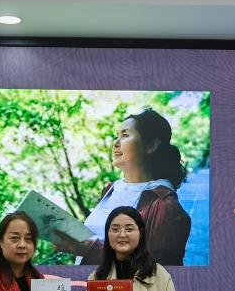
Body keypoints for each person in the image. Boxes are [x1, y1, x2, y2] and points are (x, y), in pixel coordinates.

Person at [57, 108, 191, 266]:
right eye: (116, 136)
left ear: (151, 146)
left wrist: (91, 250)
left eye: (125, 135)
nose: (115, 143)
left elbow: (160, 271)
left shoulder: (165, 206)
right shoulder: (110, 190)